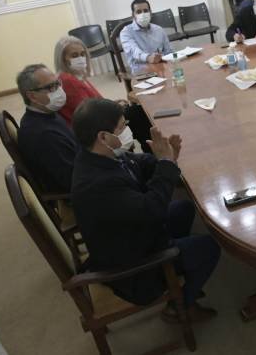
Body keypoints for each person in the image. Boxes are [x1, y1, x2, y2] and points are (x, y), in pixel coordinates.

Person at [71, 98, 220, 322]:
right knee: (209, 247)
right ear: (103, 137)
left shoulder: (96, 155)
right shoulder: (98, 185)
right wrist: (167, 164)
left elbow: (136, 163)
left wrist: (164, 157)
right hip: (133, 267)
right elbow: (153, 209)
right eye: (122, 127)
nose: (127, 131)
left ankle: (178, 263)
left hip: (132, 232)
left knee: (185, 208)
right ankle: (179, 306)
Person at [54, 35, 153, 152]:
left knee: (137, 112)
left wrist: (112, 104)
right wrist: (114, 109)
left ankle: (148, 151)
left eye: (82, 54)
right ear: (62, 59)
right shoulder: (68, 80)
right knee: (139, 115)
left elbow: (95, 102)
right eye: (74, 55)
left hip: (98, 118)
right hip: (93, 128)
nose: (80, 58)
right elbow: (88, 114)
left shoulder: (77, 75)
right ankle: (150, 151)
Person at [15, 64, 78, 193]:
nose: (59, 90)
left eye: (58, 83)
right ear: (32, 96)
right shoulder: (43, 135)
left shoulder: (47, 113)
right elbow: (72, 180)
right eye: (51, 87)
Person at [120, 0, 173, 74]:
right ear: (133, 15)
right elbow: (134, 51)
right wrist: (148, 58)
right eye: (138, 12)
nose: (143, 14)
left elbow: (169, 52)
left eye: (145, 11)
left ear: (150, 12)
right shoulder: (126, 32)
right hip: (142, 73)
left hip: (162, 69)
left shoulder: (159, 30)